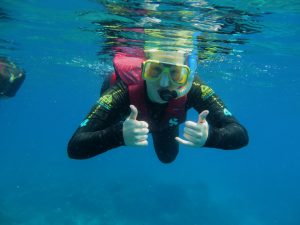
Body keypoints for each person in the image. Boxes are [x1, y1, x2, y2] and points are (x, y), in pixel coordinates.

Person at [67, 46, 249, 164]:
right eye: (154, 70)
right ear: (143, 70)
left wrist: (211, 137)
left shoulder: (195, 88)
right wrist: (118, 135)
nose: (163, 82)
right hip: (125, 121)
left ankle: (161, 123)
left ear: (188, 76)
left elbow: (240, 134)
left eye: (176, 74)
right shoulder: (123, 91)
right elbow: (75, 147)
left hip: (166, 122)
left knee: (168, 157)